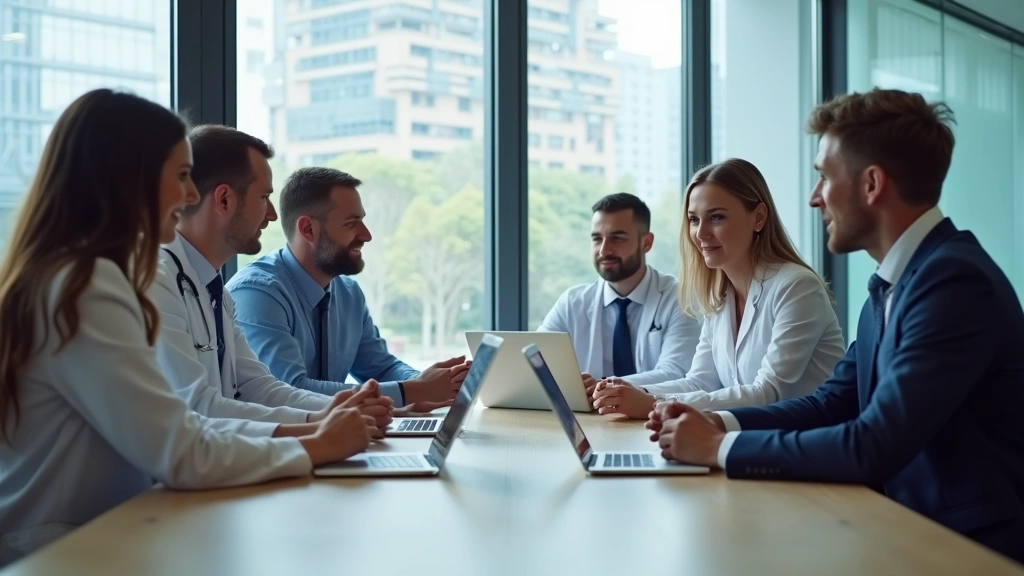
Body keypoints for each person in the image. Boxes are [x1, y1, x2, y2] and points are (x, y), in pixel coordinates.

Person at [0, 89, 375, 566]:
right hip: (61, 550)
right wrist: (318, 443)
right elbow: (180, 449)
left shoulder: (87, 273)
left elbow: (203, 417)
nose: (191, 195)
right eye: (180, 176)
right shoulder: (87, 284)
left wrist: (321, 425)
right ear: (130, 179)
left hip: (105, 532)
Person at [649, 88, 1024, 564]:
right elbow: (833, 401)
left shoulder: (954, 282)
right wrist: (716, 421)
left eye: (824, 177)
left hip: (965, 546)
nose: (813, 198)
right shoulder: (892, 283)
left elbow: (873, 443)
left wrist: (721, 448)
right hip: (898, 524)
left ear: (871, 184)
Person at [149, 125, 391, 434]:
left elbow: (259, 387)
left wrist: (338, 409)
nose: (273, 215)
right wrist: (320, 429)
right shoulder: (157, 281)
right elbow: (198, 408)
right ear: (224, 200)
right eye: (264, 197)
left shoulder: (214, 292)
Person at [592, 160, 844, 418]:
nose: (700, 233)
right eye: (693, 219)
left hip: (802, 448)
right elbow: (699, 383)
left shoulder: (797, 287)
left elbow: (767, 392)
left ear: (758, 217)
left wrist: (652, 402)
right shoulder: (721, 297)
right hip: (750, 442)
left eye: (716, 217)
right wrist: (624, 390)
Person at [227, 167, 469, 412]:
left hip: (333, 438)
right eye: (352, 223)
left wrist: (441, 381)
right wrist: (415, 390)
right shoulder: (257, 293)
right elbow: (289, 390)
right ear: (308, 229)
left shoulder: (348, 293)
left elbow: (381, 368)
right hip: (277, 445)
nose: (366, 235)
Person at [538, 193, 701, 402]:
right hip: (589, 422)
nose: (604, 250)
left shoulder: (679, 298)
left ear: (647, 243)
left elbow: (676, 372)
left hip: (653, 421)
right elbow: (536, 363)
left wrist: (604, 385)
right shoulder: (572, 303)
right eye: (597, 239)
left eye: (617, 238)